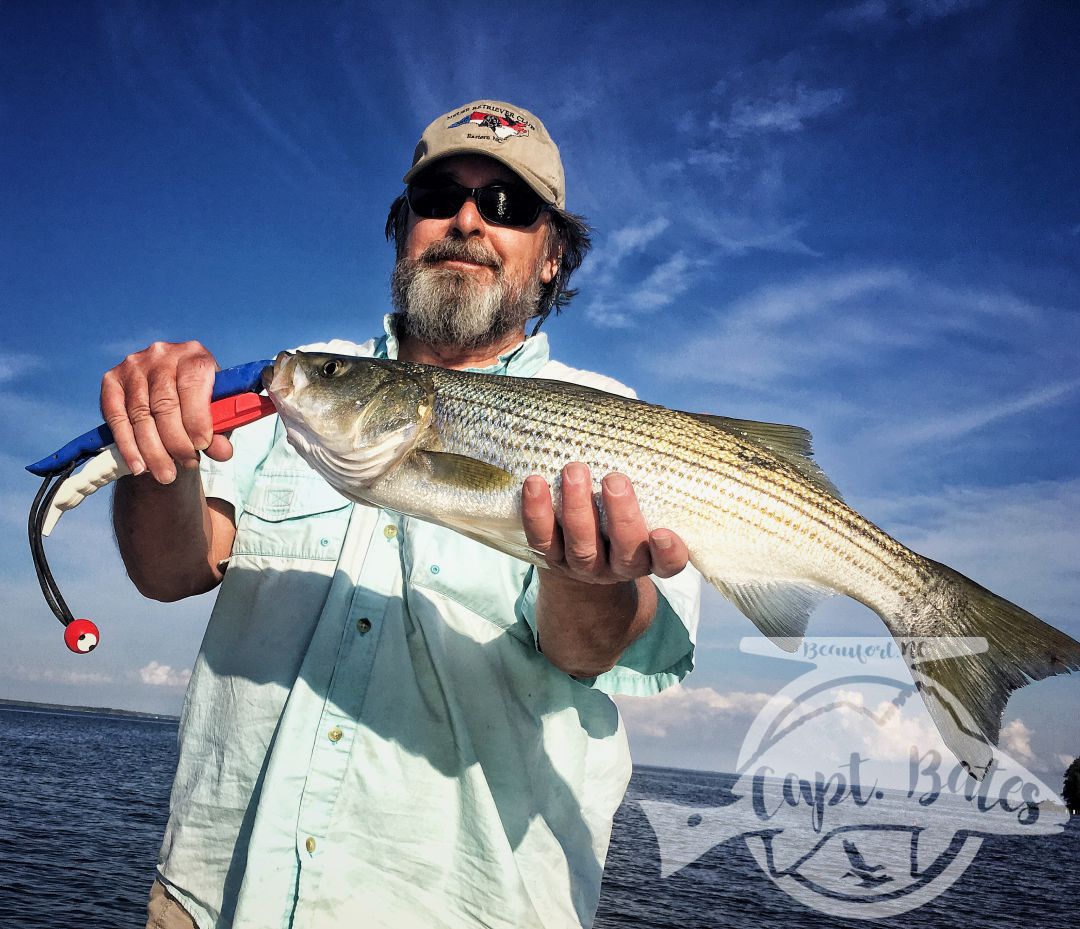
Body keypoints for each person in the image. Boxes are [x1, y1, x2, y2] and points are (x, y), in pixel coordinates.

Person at [104, 99, 701, 929]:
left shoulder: (622, 429)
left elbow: (585, 649)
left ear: (553, 256)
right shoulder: (311, 386)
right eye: (437, 197)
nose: (466, 219)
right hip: (213, 898)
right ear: (402, 227)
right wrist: (157, 449)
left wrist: (590, 577)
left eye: (508, 206)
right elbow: (169, 569)